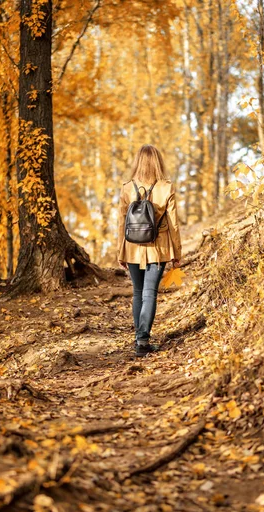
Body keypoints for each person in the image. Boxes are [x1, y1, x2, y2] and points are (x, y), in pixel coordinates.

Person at [117, 144, 182, 357]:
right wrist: (177, 252)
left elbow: (121, 223)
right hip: (158, 247)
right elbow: (173, 223)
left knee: (138, 292)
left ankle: (139, 339)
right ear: (158, 162)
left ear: (138, 162)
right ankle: (142, 341)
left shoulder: (127, 188)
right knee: (149, 293)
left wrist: (120, 251)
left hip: (132, 247)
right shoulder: (166, 187)